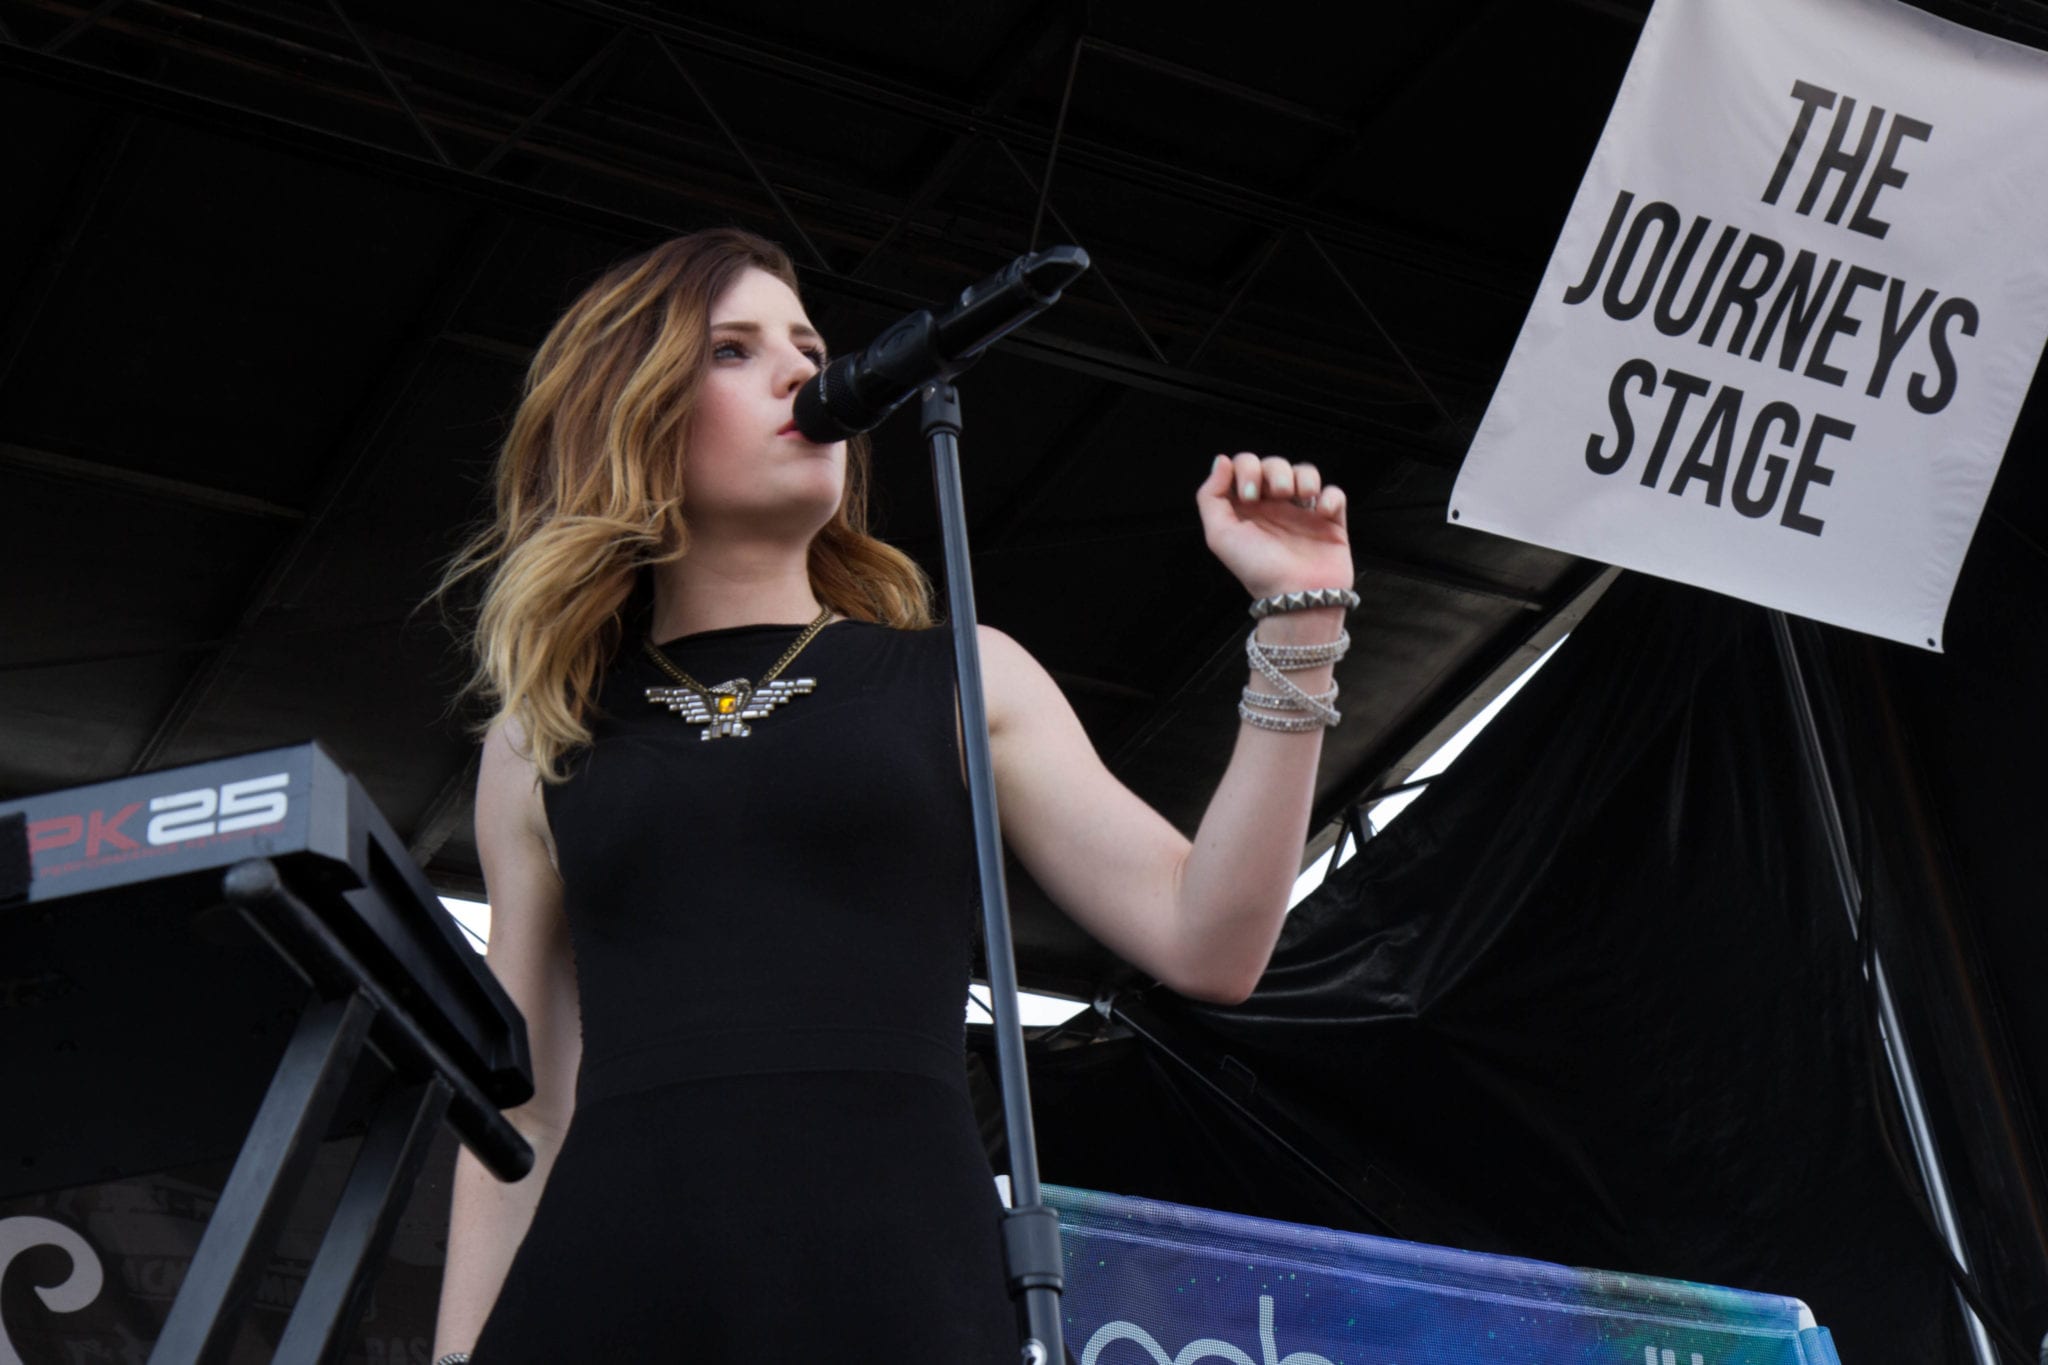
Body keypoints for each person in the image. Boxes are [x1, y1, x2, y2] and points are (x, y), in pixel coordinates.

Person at [428, 227, 1355, 1363]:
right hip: (609, 1293)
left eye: (809, 347)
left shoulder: (962, 675)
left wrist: (1300, 626)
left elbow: (1209, 940)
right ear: (629, 410)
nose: (799, 371)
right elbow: (522, 1106)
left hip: (901, 1283)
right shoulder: (544, 732)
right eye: (733, 349)